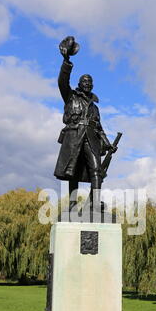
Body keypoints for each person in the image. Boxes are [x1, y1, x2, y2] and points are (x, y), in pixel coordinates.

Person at [54, 36, 117, 213]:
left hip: (91, 139)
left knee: (97, 170)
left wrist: (108, 144)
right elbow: (62, 81)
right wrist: (66, 60)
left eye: (90, 82)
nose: (87, 84)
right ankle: (73, 204)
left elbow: (99, 128)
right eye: (84, 82)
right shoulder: (70, 97)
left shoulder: (95, 108)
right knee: (72, 171)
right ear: (80, 85)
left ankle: (95, 204)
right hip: (74, 137)